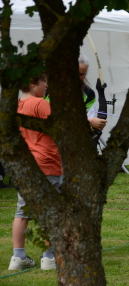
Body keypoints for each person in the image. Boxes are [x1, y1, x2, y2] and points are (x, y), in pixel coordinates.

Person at [8, 72, 61, 271]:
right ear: (32, 83)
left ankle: (18, 257)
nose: (47, 85)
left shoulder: (17, 105)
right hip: (46, 165)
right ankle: (49, 257)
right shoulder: (40, 103)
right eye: (45, 81)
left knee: (22, 212)